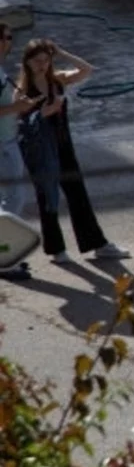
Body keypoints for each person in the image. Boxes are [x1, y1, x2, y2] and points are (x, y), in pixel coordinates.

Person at [17, 39, 129, 265]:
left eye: (46, 61)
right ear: (27, 63)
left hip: (63, 146)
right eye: (37, 61)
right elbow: (22, 127)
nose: (42, 65)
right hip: (40, 152)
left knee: (78, 195)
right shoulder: (22, 92)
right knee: (47, 199)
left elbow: (87, 70)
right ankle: (57, 250)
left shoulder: (56, 80)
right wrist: (45, 112)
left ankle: (97, 244)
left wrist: (61, 51)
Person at [0, 24, 47, 281]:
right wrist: (16, 106)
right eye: (7, 37)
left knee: (6, 200)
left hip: (7, 138)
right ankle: (6, 260)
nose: (10, 42)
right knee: (13, 201)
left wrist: (18, 107)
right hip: (3, 144)